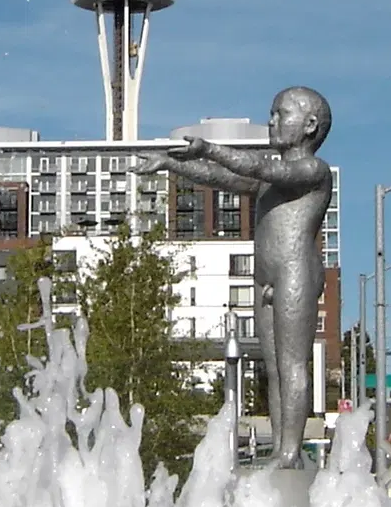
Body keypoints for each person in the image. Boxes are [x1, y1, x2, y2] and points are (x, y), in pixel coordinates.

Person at [135, 87, 334, 469]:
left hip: (295, 273)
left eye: (281, 113)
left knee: (292, 364)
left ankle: (291, 452)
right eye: (272, 113)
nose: (272, 121)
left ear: (310, 125)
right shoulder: (272, 181)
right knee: (273, 368)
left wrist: (209, 148)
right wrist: (170, 164)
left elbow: (260, 168)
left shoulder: (312, 171)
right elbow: (222, 178)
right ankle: (280, 449)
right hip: (266, 277)